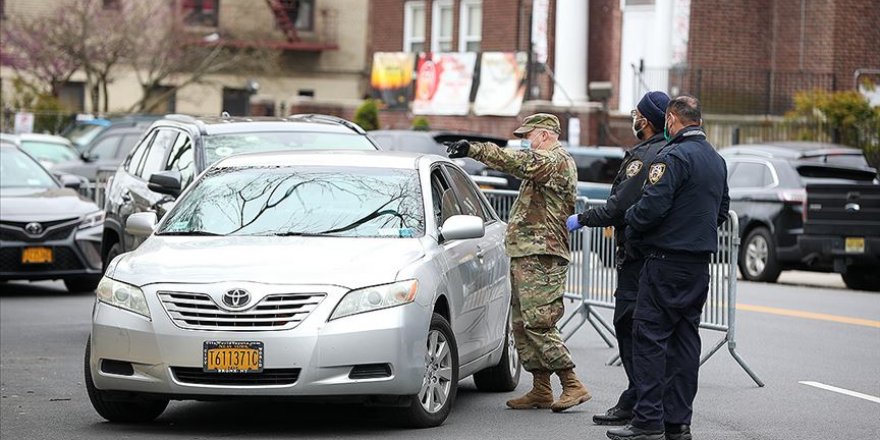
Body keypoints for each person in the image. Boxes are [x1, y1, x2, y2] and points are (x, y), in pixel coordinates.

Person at [446, 113, 590, 413]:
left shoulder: (554, 161)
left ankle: (572, 383)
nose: (527, 142)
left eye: (530, 136)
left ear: (546, 136)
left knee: (540, 321)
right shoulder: (545, 162)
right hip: (527, 252)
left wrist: (475, 150)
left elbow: (518, 163)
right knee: (523, 325)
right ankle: (541, 388)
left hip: (543, 254)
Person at [606, 96, 730, 440]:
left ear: (672, 119)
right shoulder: (715, 159)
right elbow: (721, 211)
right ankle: (678, 423)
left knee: (649, 338)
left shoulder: (671, 157)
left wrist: (630, 221)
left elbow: (650, 209)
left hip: (665, 262)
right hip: (697, 265)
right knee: (685, 343)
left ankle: (647, 421)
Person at [565, 91, 670, 426]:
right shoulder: (664, 151)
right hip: (650, 256)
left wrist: (582, 219)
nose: (633, 119)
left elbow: (620, 206)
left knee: (630, 326)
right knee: (642, 328)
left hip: (638, 257)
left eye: (637, 114)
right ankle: (638, 397)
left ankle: (640, 400)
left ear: (648, 121)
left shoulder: (646, 156)